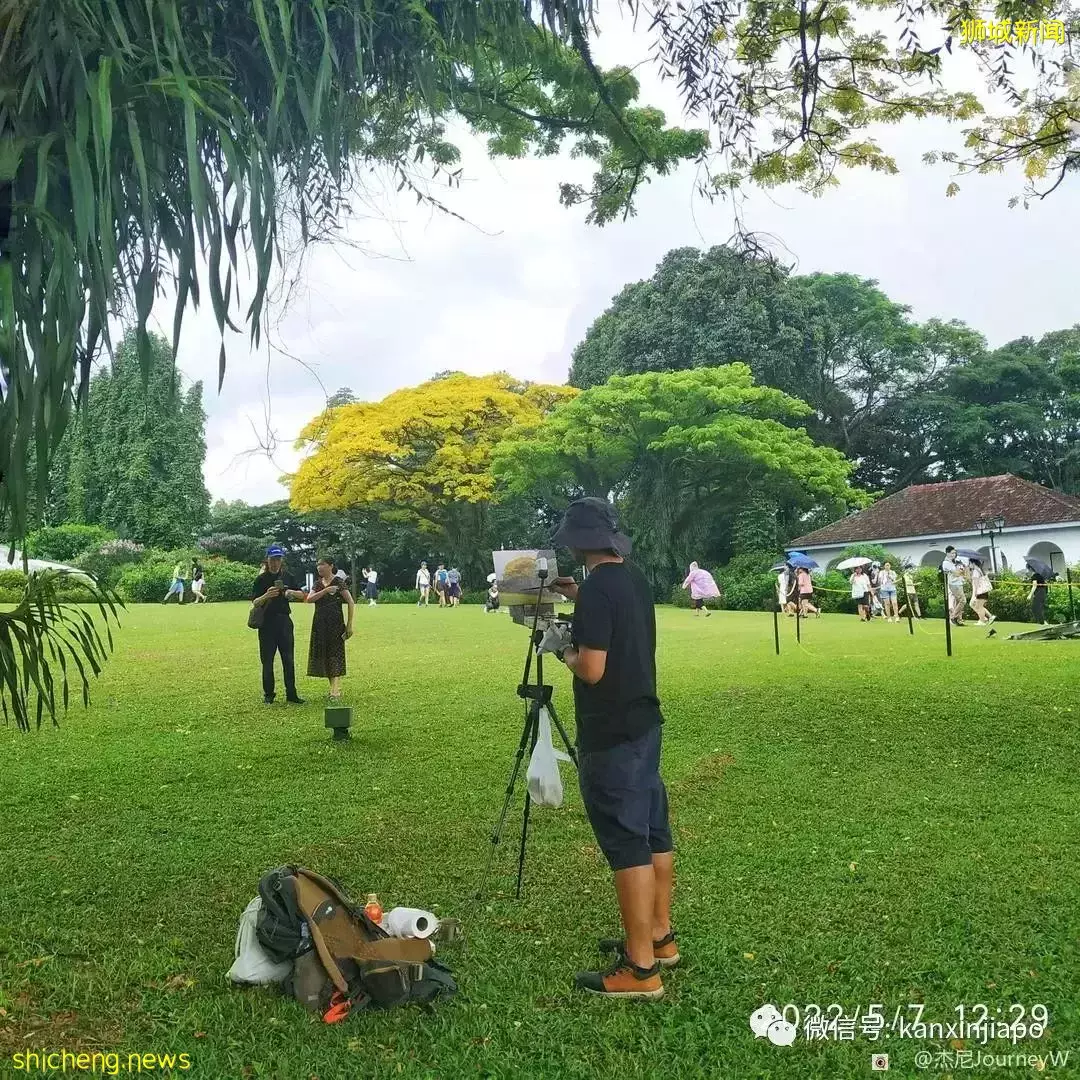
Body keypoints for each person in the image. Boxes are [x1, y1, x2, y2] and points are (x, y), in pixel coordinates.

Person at [547, 497, 673, 1000]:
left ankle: (641, 970)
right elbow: (614, 616)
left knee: (626, 845)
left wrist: (561, 647)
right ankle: (659, 938)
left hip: (610, 731)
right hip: (644, 720)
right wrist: (581, 596)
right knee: (652, 831)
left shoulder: (599, 590)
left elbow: (592, 668)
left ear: (579, 544)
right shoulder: (630, 579)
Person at [251, 544, 307, 705]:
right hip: (267, 623)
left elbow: (302, 595)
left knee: (288, 659)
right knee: (267, 660)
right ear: (267, 561)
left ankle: (292, 693)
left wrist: (291, 593)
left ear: (282, 560)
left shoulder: (288, 576)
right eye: (272, 559)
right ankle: (269, 694)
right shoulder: (261, 579)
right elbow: (255, 602)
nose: (275, 562)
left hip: (284, 621)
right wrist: (266, 595)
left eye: (278, 559)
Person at [305, 557, 355, 700]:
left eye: (322, 564)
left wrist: (349, 624)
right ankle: (334, 687)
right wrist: (325, 591)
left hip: (335, 623)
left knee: (335, 654)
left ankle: (335, 690)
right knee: (324, 654)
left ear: (331, 566)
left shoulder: (339, 582)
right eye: (318, 565)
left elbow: (350, 601)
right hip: (319, 624)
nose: (319, 567)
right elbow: (309, 599)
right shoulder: (317, 584)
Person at [941, 546, 968, 626]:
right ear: (947, 553)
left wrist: (962, 571)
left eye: (954, 553)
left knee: (958, 601)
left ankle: (958, 619)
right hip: (954, 584)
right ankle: (953, 616)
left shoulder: (955, 561)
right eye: (952, 553)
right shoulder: (946, 563)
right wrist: (961, 571)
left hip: (959, 583)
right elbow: (956, 573)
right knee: (963, 600)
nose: (954, 554)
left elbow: (963, 570)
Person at [968, 559, 995, 625]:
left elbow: (976, 584)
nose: (969, 565)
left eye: (970, 563)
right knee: (978, 606)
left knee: (978, 607)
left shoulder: (976, 571)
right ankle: (988, 617)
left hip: (980, 592)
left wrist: (975, 594)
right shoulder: (980, 570)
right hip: (983, 591)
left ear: (973, 563)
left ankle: (983, 620)